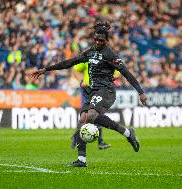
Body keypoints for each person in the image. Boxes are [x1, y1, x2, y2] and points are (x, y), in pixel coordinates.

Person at [30, 23, 147, 167]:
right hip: (92, 91)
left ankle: (128, 133)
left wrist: (140, 92)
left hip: (106, 90)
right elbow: (70, 62)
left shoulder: (110, 55)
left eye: (101, 40)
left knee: (91, 115)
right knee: (83, 120)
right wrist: (46, 69)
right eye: (96, 39)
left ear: (106, 41)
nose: (98, 42)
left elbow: (127, 74)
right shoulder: (90, 52)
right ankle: (82, 160)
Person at [73, 63, 111, 150]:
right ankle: (79, 138)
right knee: (92, 115)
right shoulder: (87, 58)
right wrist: (81, 81)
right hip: (88, 90)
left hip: (100, 90)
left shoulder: (105, 59)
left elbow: (117, 74)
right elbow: (75, 70)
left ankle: (77, 138)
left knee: (93, 115)